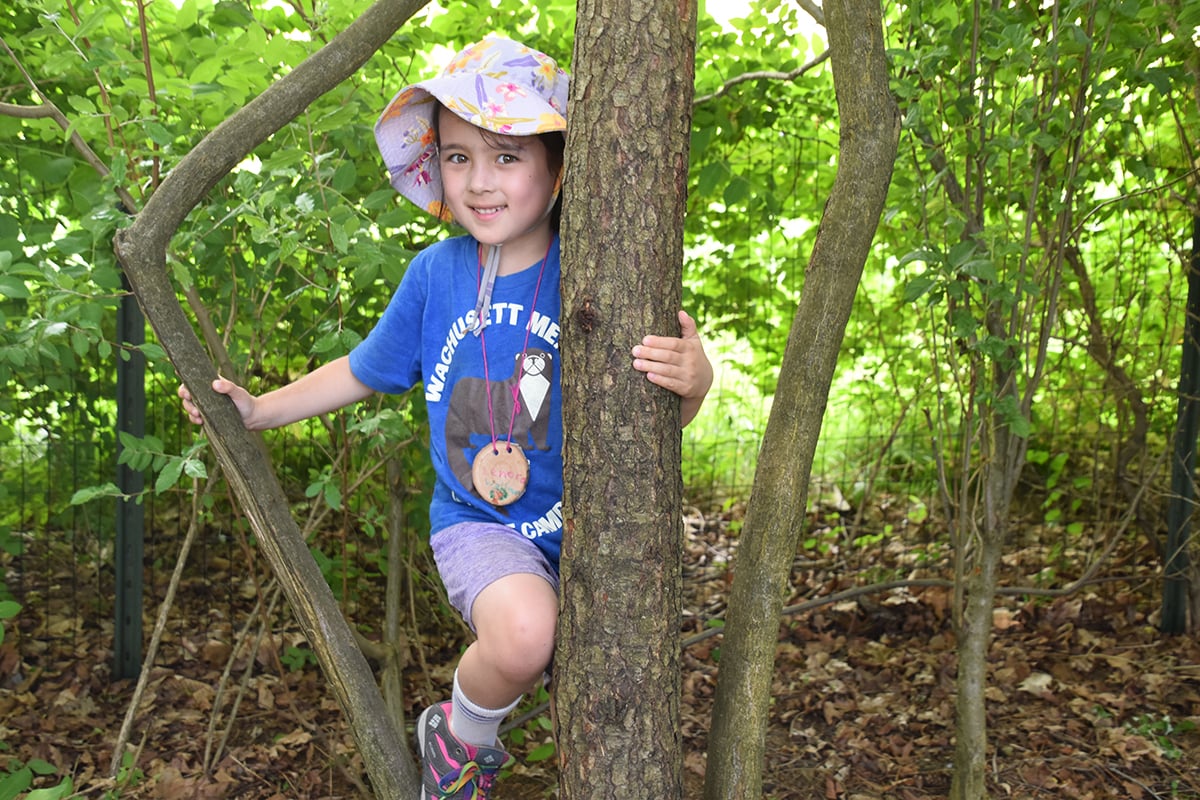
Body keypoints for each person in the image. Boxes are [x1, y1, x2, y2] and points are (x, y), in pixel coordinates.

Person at [178, 35, 712, 800]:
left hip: (596, 531)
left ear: (557, 167)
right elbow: (362, 370)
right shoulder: (436, 276)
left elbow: (659, 413)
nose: (478, 182)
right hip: (479, 524)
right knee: (526, 634)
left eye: (505, 156)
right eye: (458, 157)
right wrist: (259, 410)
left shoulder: (598, 265)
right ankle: (462, 740)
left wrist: (696, 381)